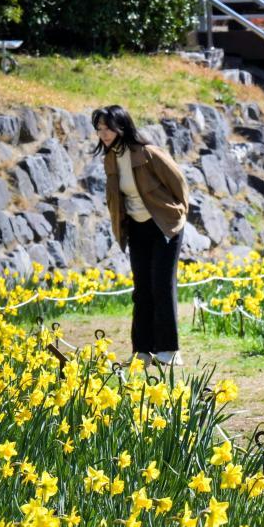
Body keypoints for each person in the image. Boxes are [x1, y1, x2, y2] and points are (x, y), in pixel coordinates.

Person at [92, 105, 189, 366]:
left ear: (122, 126)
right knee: (142, 289)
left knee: (162, 285)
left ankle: (170, 351)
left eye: (108, 128)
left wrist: (177, 213)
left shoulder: (148, 153)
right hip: (136, 227)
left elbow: (179, 183)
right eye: (99, 129)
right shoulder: (110, 158)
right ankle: (142, 352)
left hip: (164, 225)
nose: (103, 134)